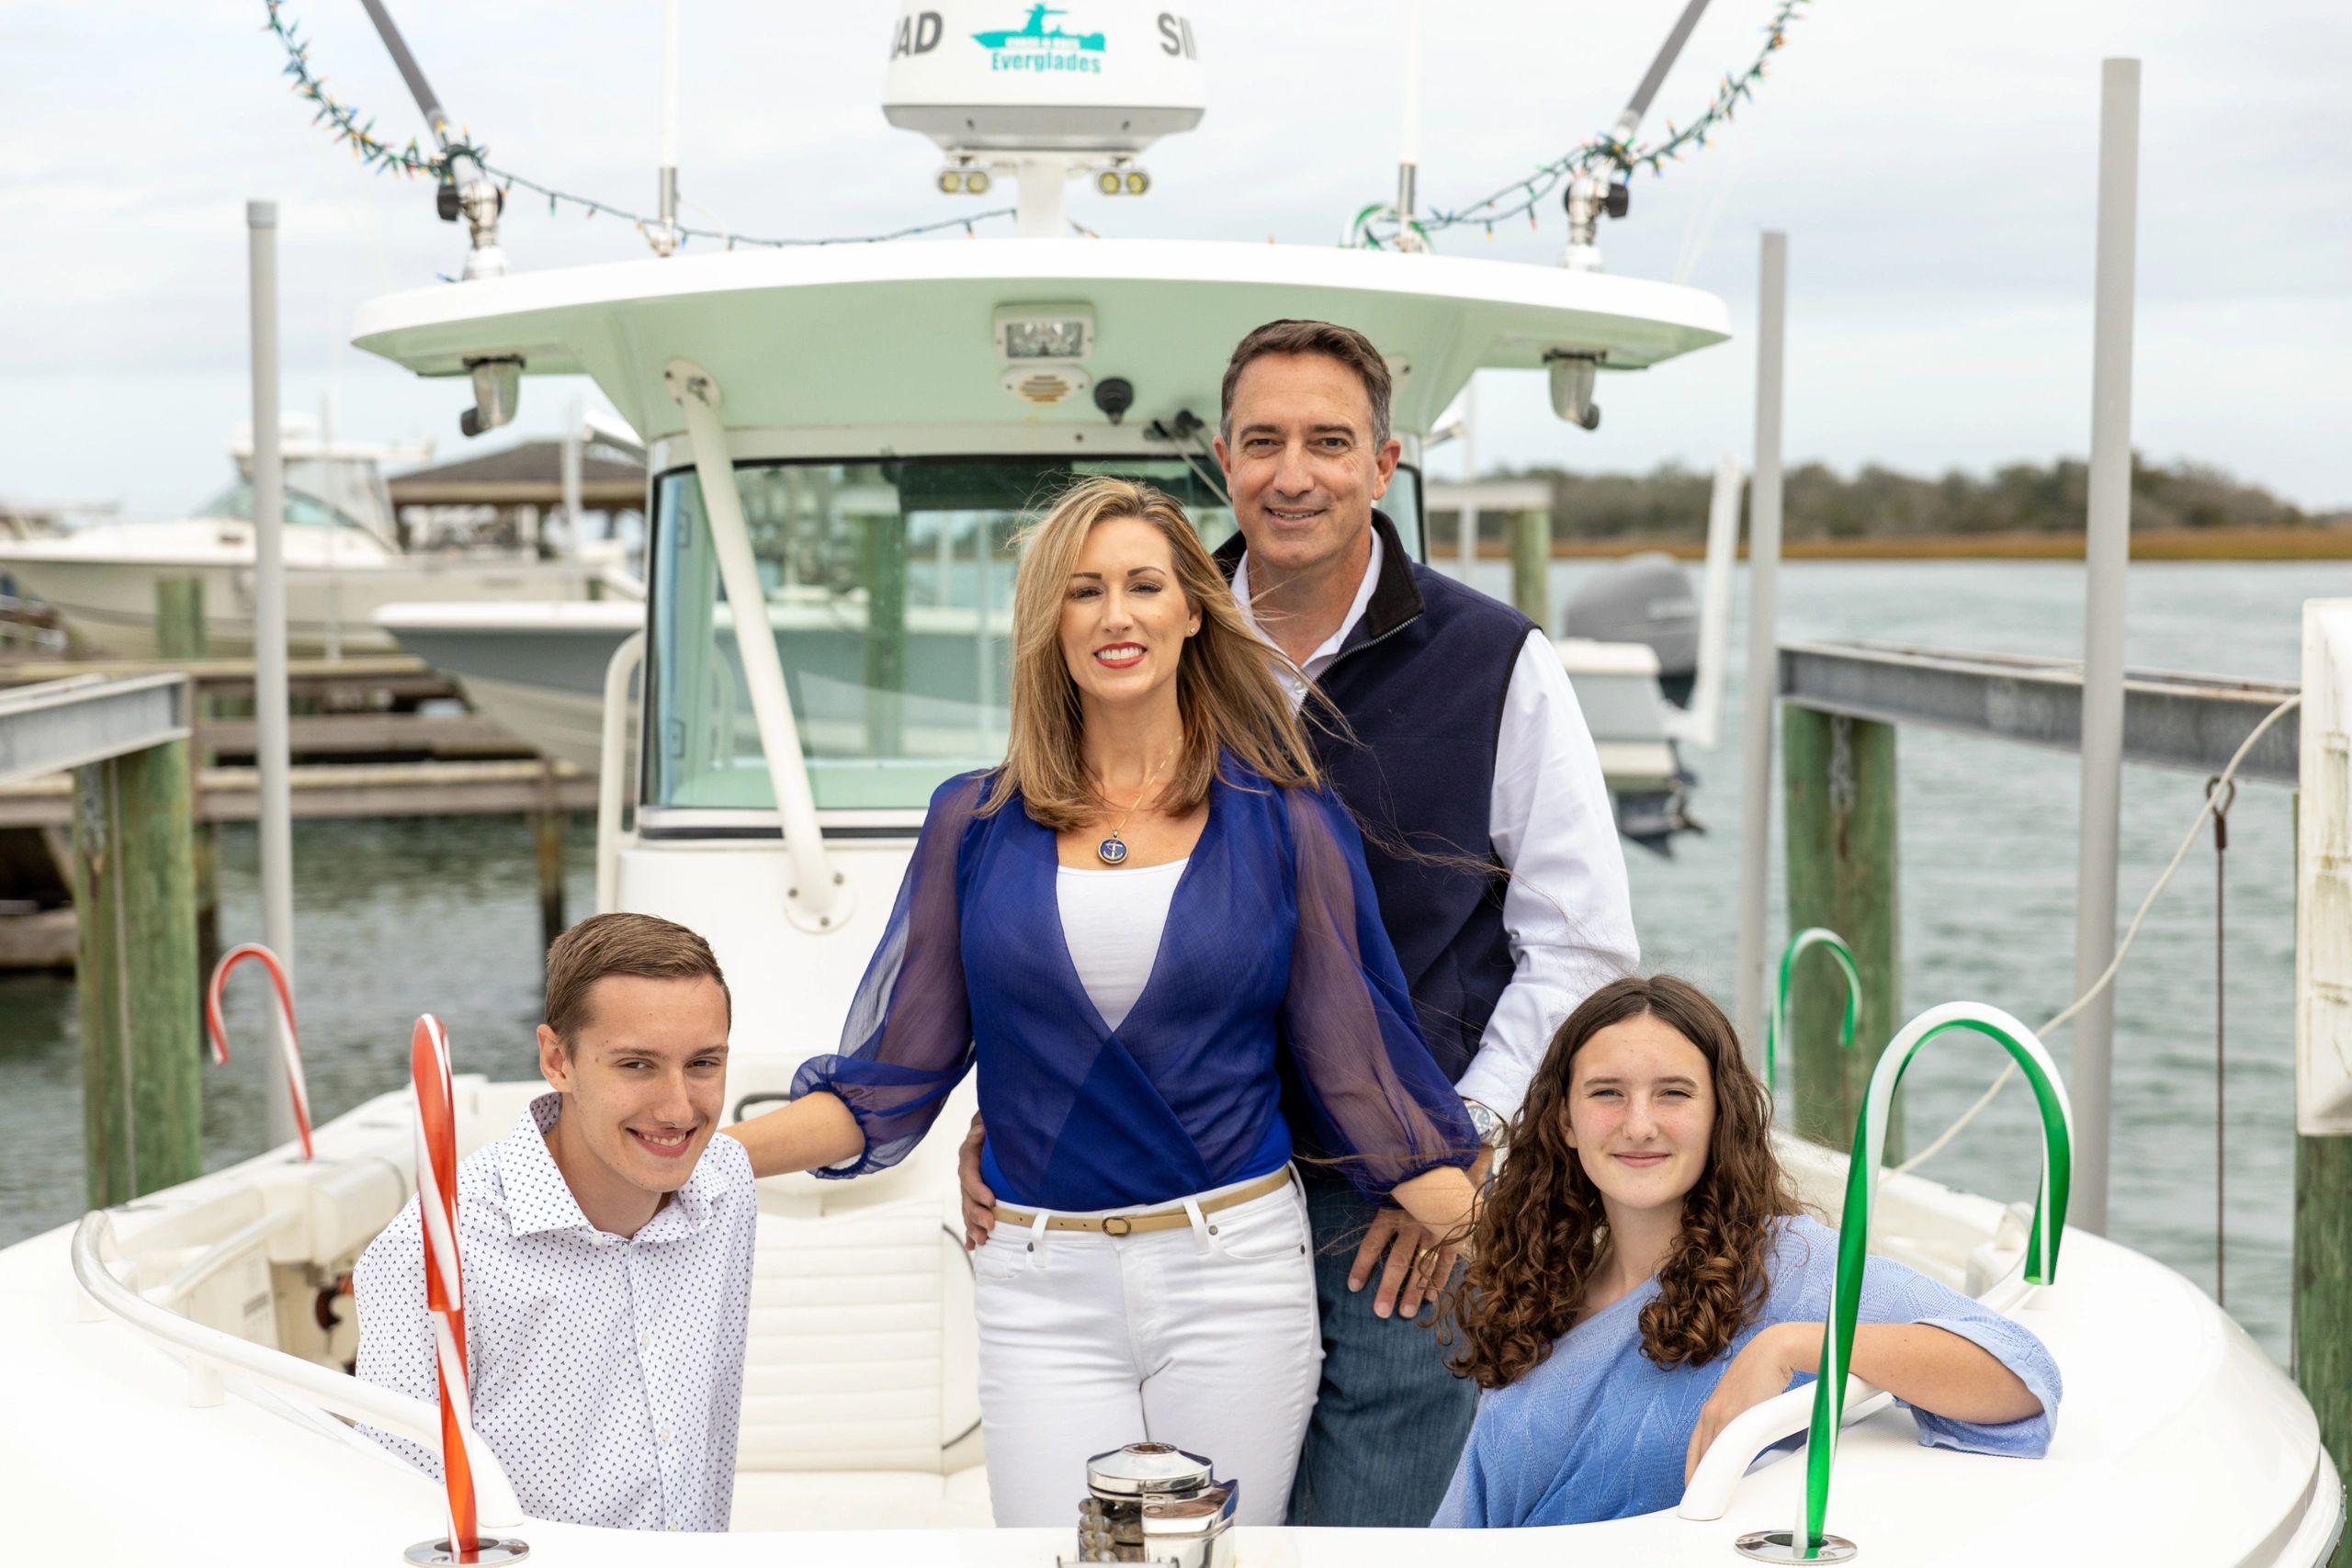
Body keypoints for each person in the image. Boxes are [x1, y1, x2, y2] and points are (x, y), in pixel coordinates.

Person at [959, 319, 1640, 1527]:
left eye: (1330, 442)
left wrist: (1458, 1140)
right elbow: (1051, 889)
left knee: (1362, 1528)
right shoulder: (1146, 639)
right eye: (1263, 441)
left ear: (1384, 465)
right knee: (1145, 1532)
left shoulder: (1498, 662)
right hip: (1187, 1175)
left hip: (1401, 1200)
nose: (1293, 473)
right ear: (1223, 458)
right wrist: (1009, 1107)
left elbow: (1580, 940)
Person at [723, 475, 1481, 1528]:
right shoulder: (972, 822)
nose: (1114, 615)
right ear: (1048, 622)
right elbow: (885, 1088)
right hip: (1039, 1282)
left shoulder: (1288, 823)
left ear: (1190, 611)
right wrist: (691, 1153)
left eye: (1141, 585)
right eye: (1082, 592)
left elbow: (1357, 1076)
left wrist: (1516, 1223)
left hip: (1234, 1277)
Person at [1433, 975, 2061, 1528]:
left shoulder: (1786, 1266)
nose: (1640, 1123)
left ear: (1719, 1115)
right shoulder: (1537, 1286)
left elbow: (2020, 1376)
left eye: (1674, 1093)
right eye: (1607, 1093)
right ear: (1565, 1120)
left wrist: (1786, 1346)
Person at [355, 913, 758, 1531]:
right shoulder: (432, 1248)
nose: (679, 1107)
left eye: (702, 1063)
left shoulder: (726, 1188)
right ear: (556, 1059)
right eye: (637, 1065)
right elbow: (394, 1510)